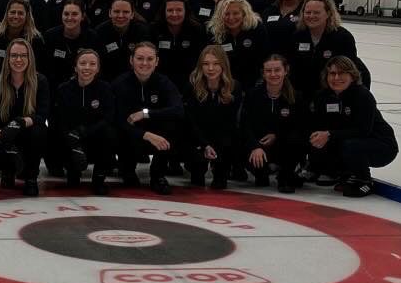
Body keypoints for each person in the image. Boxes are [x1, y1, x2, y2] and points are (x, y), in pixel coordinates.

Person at [305, 56, 397, 197]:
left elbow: (363, 131)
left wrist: (330, 134)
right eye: (332, 73)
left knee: (350, 144)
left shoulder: (363, 96)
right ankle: (345, 174)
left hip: (381, 145)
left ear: (352, 76)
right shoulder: (323, 96)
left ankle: (365, 181)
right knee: (324, 140)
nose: (336, 78)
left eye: (341, 74)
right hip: (351, 142)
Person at [112, 41, 184, 195]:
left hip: (156, 132)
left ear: (157, 62)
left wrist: (146, 113)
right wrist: (145, 135)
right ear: (131, 60)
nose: (145, 63)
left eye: (150, 59)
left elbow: (178, 110)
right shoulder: (120, 84)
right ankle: (127, 170)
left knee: (173, 124)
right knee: (117, 130)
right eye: (140, 58)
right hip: (131, 136)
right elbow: (118, 120)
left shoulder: (164, 82)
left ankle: (158, 175)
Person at [0, 39, 50, 195]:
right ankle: (8, 169)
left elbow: (42, 115)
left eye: (23, 55)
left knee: (40, 130)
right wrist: (4, 138)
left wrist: (20, 122)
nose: (18, 60)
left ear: (30, 58)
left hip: (27, 135)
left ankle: (31, 178)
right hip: (4, 138)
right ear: (8, 58)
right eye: (14, 55)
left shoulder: (40, 81)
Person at [52, 48, 116, 194]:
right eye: (83, 63)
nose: (87, 67)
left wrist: (84, 132)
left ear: (98, 68)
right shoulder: (63, 89)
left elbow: (108, 118)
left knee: (109, 133)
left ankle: (99, 179)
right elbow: (58, 119)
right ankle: (72, 171)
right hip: (70, 140)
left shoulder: (105, 89)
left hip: (93, 138)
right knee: (54, 133)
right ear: (75, 67)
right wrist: (73, 139)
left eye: (92, 64)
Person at [242, 53, 303, 193]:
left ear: (286, 70)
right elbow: (245, 125)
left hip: (283, 146)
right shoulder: (253, 95)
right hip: (259, 146)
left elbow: (299, 127)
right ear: (263, 73)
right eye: (268, 71)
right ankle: (263, 170)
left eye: (277, 70)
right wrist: (255, 146)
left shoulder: (296, 97)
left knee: (294, 139)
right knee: (260, 179)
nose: (273, 74)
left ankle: (286, 175)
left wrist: (277, 135)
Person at [183, 45, 242, 189]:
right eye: (206, 64)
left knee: (220, 184)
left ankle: (221, 168)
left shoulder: (234, 87)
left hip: (222, 141)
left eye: (216, 64)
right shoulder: (191, 87)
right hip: (197, 139)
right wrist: (204, 145)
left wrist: (215, 148)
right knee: (197, 180)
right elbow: (190, 123)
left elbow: (230, 123)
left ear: (223, 65)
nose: (210, 68)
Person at [289, 0, 359, 101]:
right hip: (302, 96)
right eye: (308, 12)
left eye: (316, 12)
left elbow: (350, 72)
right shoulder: (297, 36)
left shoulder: (343, 38)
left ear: (328, 14)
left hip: (331, 96)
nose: (311, 16)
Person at [207, 0, 268, 90]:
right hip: (224, 84)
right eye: (226, 14)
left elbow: (265, 58)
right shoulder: (214, 33)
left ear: (244, 13)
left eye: (236, 13)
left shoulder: (257, 29)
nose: (231, 18)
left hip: (253, 83)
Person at [150, 0, 207, 95]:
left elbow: (202, 59)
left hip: (191, 83)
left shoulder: (197, 30)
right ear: (164, 12)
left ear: (186, 11)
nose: (174, 14)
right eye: (170, 10)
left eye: (179, 10)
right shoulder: (154, 29)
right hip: (160, 83)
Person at [0, 0, 43, 82]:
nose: (16, 16)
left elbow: (37, 71)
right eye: (12, 12)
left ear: (27, 16)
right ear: (6, 14)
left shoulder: (35, 40)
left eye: (20, 13)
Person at [93, 0, 149, 83]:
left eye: (126, 12)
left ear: (132, 15)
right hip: (107, 82)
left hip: (135, 81)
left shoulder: (142, 32)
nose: (120, 16)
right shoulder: (99, 32)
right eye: (116, 11)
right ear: (109, 13)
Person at [42, 0, 91, 91]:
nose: (69, 18)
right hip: (54, 88)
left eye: (75, 14)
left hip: (84, 87)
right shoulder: (50, 36)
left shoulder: (91, 37)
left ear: (83, 16)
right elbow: (45, 68)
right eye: (66, 14)